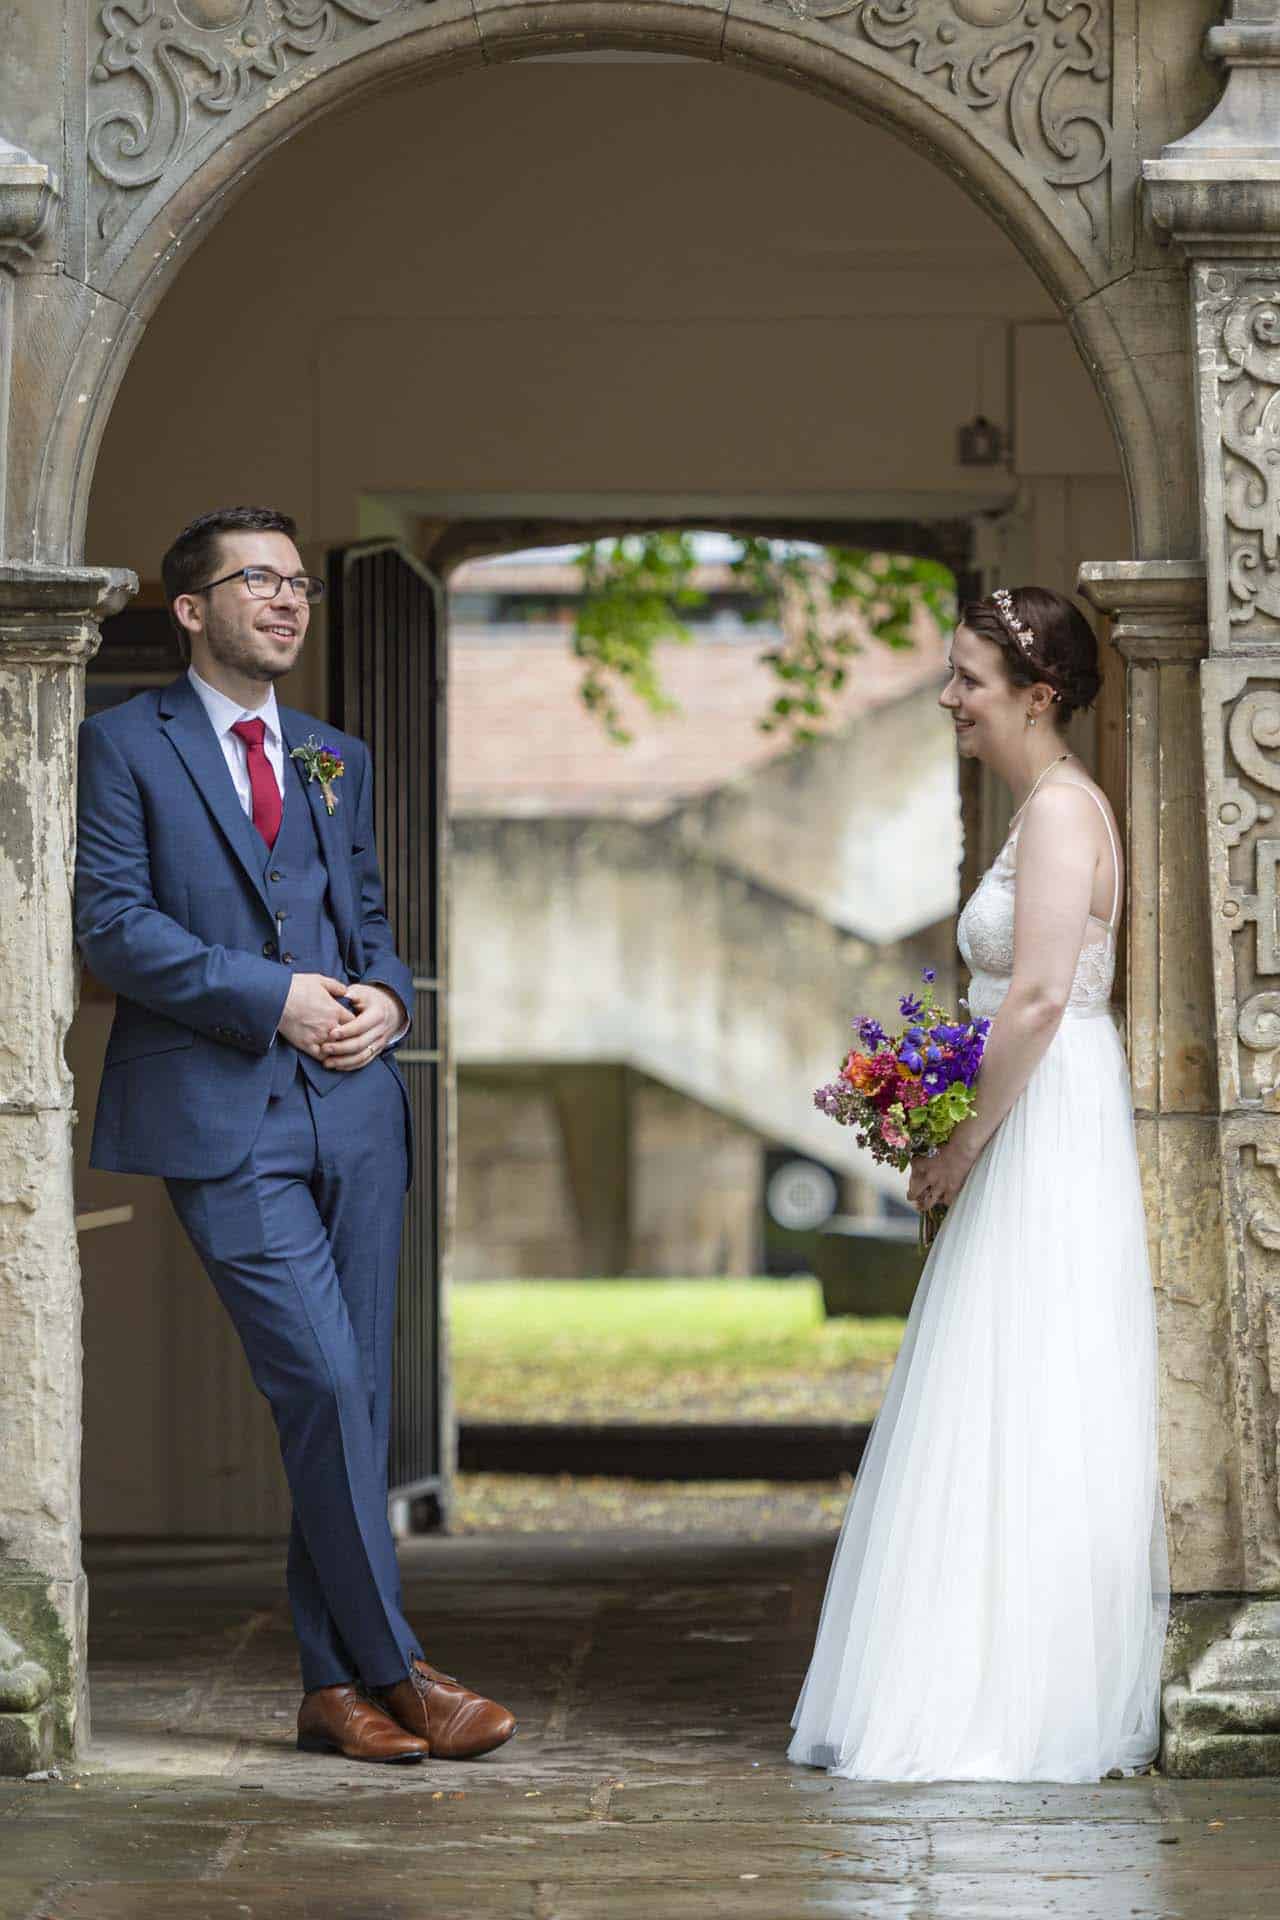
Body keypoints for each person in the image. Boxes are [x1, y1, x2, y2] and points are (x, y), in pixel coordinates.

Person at [75, 506, 516, 1766]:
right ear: (192, 610)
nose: (285, 601)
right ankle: (397, 1667)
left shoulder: (334, 753)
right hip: (224, 1115)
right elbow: (110, 925)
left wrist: (387, 992)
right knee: (318, 1381)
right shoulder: (125, 744)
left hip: (359, 1112)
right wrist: (273, 997)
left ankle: (332, 1691)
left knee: (357, 1400)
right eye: (255, 581)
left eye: (298, 584)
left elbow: (364, 914)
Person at [789, 585, 1168, 1783]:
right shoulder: (1038, 810)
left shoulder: (1061, 814)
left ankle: (1012, 1698)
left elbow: (1042, 998)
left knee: (1027, 1383)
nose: (948, 697)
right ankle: (967, 1669)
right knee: (992, 1383)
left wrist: (957, 1140)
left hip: (1045, 1118)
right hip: (1030, 1105)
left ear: (1034, 695)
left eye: (967, 678)